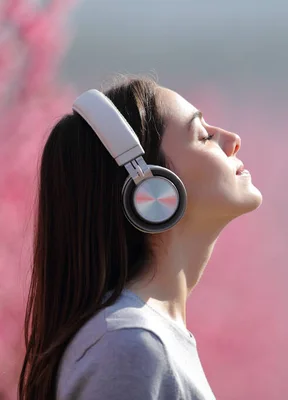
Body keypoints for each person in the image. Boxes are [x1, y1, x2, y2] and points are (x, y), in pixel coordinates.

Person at [18, 77, 263, 400]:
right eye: (203, 136)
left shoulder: (138, 341)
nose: (233, 140)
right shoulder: (130, 345)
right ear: (150, 188)